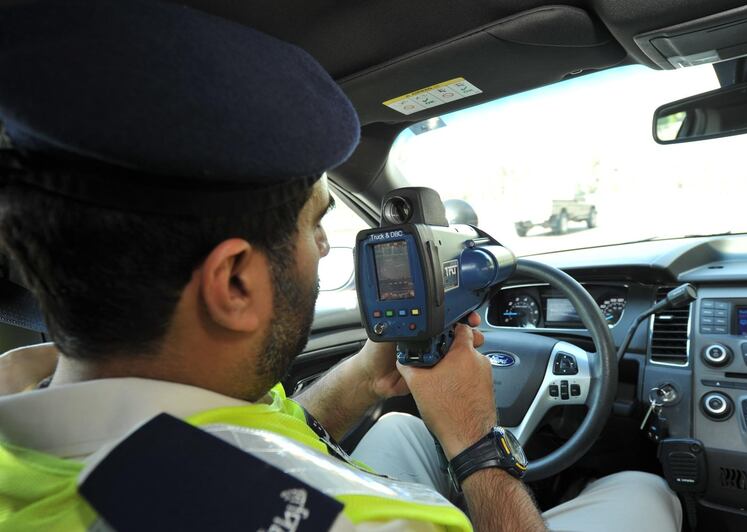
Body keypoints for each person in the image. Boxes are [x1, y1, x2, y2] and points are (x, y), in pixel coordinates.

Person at [0, 1, 682, 531]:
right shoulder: (366, 523)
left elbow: (236, 441)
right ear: (234, 283)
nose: (325, 247)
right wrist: (476, 445)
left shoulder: (61, 393)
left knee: (405, 426)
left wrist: (363, 377)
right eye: (316, 222)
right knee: (643, 492)